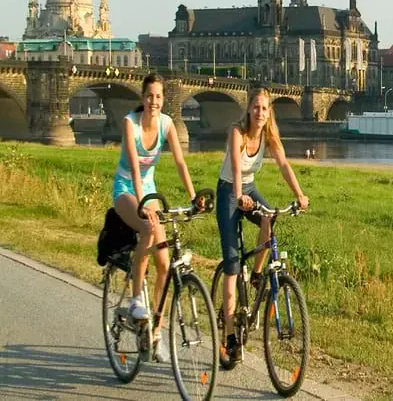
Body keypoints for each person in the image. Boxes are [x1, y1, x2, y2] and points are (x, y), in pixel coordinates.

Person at [216, 87, 309, 362]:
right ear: (249, 109)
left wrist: (299, 194)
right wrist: (238, 197)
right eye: (255, 107)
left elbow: (284, 165)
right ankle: (231, 338)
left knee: (269, 219)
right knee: (232, 264)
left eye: (264, 108)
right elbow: (234, 167)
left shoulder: (269, 135)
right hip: (229, 192)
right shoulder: (238, 133)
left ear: (269, 113)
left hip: (250, 188)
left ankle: (256, 275)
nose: (259, 112)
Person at [112, 72, 200, 362]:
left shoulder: (166, 124)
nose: (154, 101)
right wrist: (143, 206)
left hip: (149, 190)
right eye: (149, 96)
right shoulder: (130, 123)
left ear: (163, 99)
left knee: (164, 264)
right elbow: (136, 170)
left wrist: (193, 197)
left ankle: (156, 332)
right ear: (143, 97)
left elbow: (179, 161)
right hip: (126, 188)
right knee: (148, 229)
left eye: (159, 97)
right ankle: (137, 298)